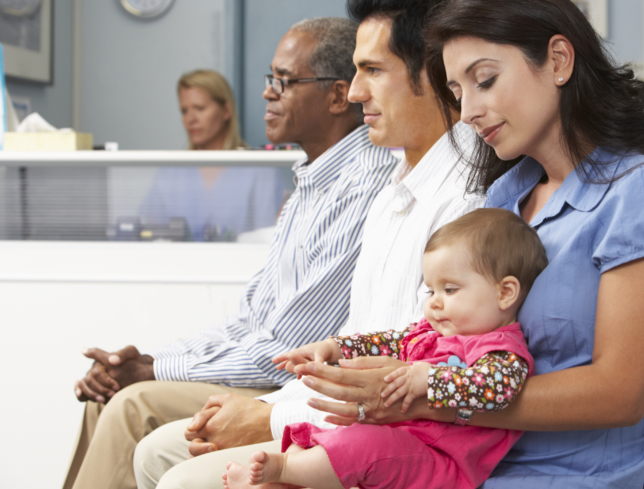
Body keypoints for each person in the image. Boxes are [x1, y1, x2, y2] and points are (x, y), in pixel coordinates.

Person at [294, 0, 644, 487]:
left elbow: (618, 393)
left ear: (558, 60)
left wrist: (425, 396)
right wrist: (357, 357)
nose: (468, 113)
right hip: (456, 463)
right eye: (458, 92)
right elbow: (449, 336)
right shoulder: (508, 195)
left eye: (484, 80)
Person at [131, 1, 484, 487]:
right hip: (338, 411)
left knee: (179, 477)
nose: (357, 90)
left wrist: (267, 417)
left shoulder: (467, 200)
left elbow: (406, 381)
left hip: (393, 438)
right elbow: (346, 350)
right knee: (155, 453)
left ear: (434, 74)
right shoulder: (391, 194)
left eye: (373, 71)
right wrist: (265, 408)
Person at [63, 17, 398, 489]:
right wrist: (146, 361)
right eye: (270, 80)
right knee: (109, 391)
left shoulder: (362, 185)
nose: (267, 93)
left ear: (338, 96)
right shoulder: (310, 182)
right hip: (262, 369)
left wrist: (152, 369)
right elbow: (247, 321)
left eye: (283, 81)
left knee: (131, 403)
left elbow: (283, 349)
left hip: (281, 382)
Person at [223, 208, 546, 489]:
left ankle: (282, 470)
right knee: (330, 429)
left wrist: (428, 379)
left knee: (363, 444)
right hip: (404, 439)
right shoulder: (432, 331)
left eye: (449, 289)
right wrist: (334, 347)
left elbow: (498, 389)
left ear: (505, 293)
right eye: (430, 289)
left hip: (440, 461)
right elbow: (388, 341)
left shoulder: (501, 350)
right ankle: (280, 479)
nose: (433, 301)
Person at [139, 70, 285, 242]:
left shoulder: (260, 171)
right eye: (184, 111)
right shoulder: (170, 172)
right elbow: (149, 233)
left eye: (200, 108)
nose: (191, 119)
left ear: (226, 111)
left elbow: (268, 242)